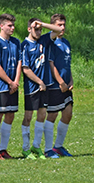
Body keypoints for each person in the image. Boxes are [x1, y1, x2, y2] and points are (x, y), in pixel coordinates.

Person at [20, 18, 62, 159]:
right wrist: (39, 81)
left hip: (44, 86)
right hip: (32, 87)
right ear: (29, 29)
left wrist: (42, 23)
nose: (38, 32)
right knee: (28, 117)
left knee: (42, 115)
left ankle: (36, 146)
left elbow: (59, 30)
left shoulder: (44, 40)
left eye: (40, 30)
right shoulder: (25, 45)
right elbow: (25, 69)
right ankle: (25, 148)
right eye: (35, 29)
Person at [0, 13, 22, 159]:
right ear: (1, 26)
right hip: (1, 86)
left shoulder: (16, 42)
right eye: (9, 25)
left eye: (13, 25)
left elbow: (20, 62)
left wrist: (16, 82)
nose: (12, 28)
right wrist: (10, 82)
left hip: (13, 85)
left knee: (10, 115)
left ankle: (3, 149)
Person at [45, 13, 74, 157]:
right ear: (53, 26)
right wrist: (60, 82)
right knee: (52, 115)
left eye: (64, 25)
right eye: (59, 25)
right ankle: (48, 149)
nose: (62, 27)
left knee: (68, 114)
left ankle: (58, 146)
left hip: (66, 85)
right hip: (55, 85)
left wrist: (71, 80)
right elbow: (51, 65)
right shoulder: (51, 43)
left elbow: (67, 64)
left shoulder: (66, 43)